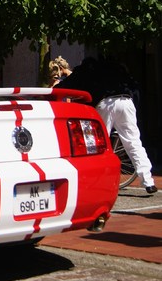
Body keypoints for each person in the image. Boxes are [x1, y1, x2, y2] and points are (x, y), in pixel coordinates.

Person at [57, 57, 157, 194]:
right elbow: (134, 86)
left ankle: (94, 180)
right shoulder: (116, 68)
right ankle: (148, 181)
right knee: (133, 142)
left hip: (106, 103)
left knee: (97, 143)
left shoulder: (88, 69)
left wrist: (55, 89)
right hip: (126, 101)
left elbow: (70, 84)